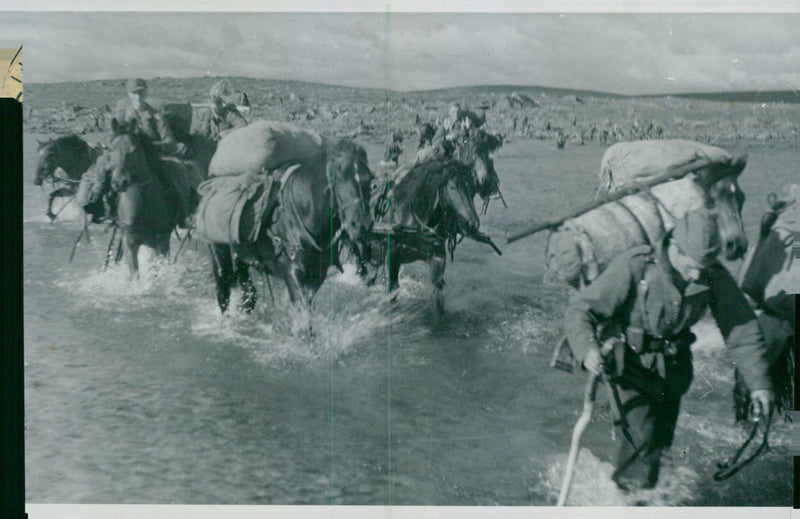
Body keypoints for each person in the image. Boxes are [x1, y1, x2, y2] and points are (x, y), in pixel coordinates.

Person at [564, 208, 774, 491]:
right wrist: (587, 349)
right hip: (629, 367)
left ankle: (640, 495)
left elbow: (742, 329)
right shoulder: (636, 266)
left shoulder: (710, 273)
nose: (697, 274)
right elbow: (581, 310)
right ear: (674, 245)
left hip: (673, 372)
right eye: (692, 265)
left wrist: (759, 384)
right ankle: (631, 501)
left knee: (659, 445)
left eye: (705, 267)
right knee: (641, 444)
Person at [83, 78, 185, 222]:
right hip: (124, 154)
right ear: (129, 95)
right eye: (134, 93)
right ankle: (97, 200)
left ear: (146, 93)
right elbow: (110, 135)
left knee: (170, 175)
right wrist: (118, 143)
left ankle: (177, 211)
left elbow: (171, 142)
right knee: (102, 162)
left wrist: (150, 146)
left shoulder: (156, 117)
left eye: (141, 92)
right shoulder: (121, 115)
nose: (138, 96)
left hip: (149, 157)